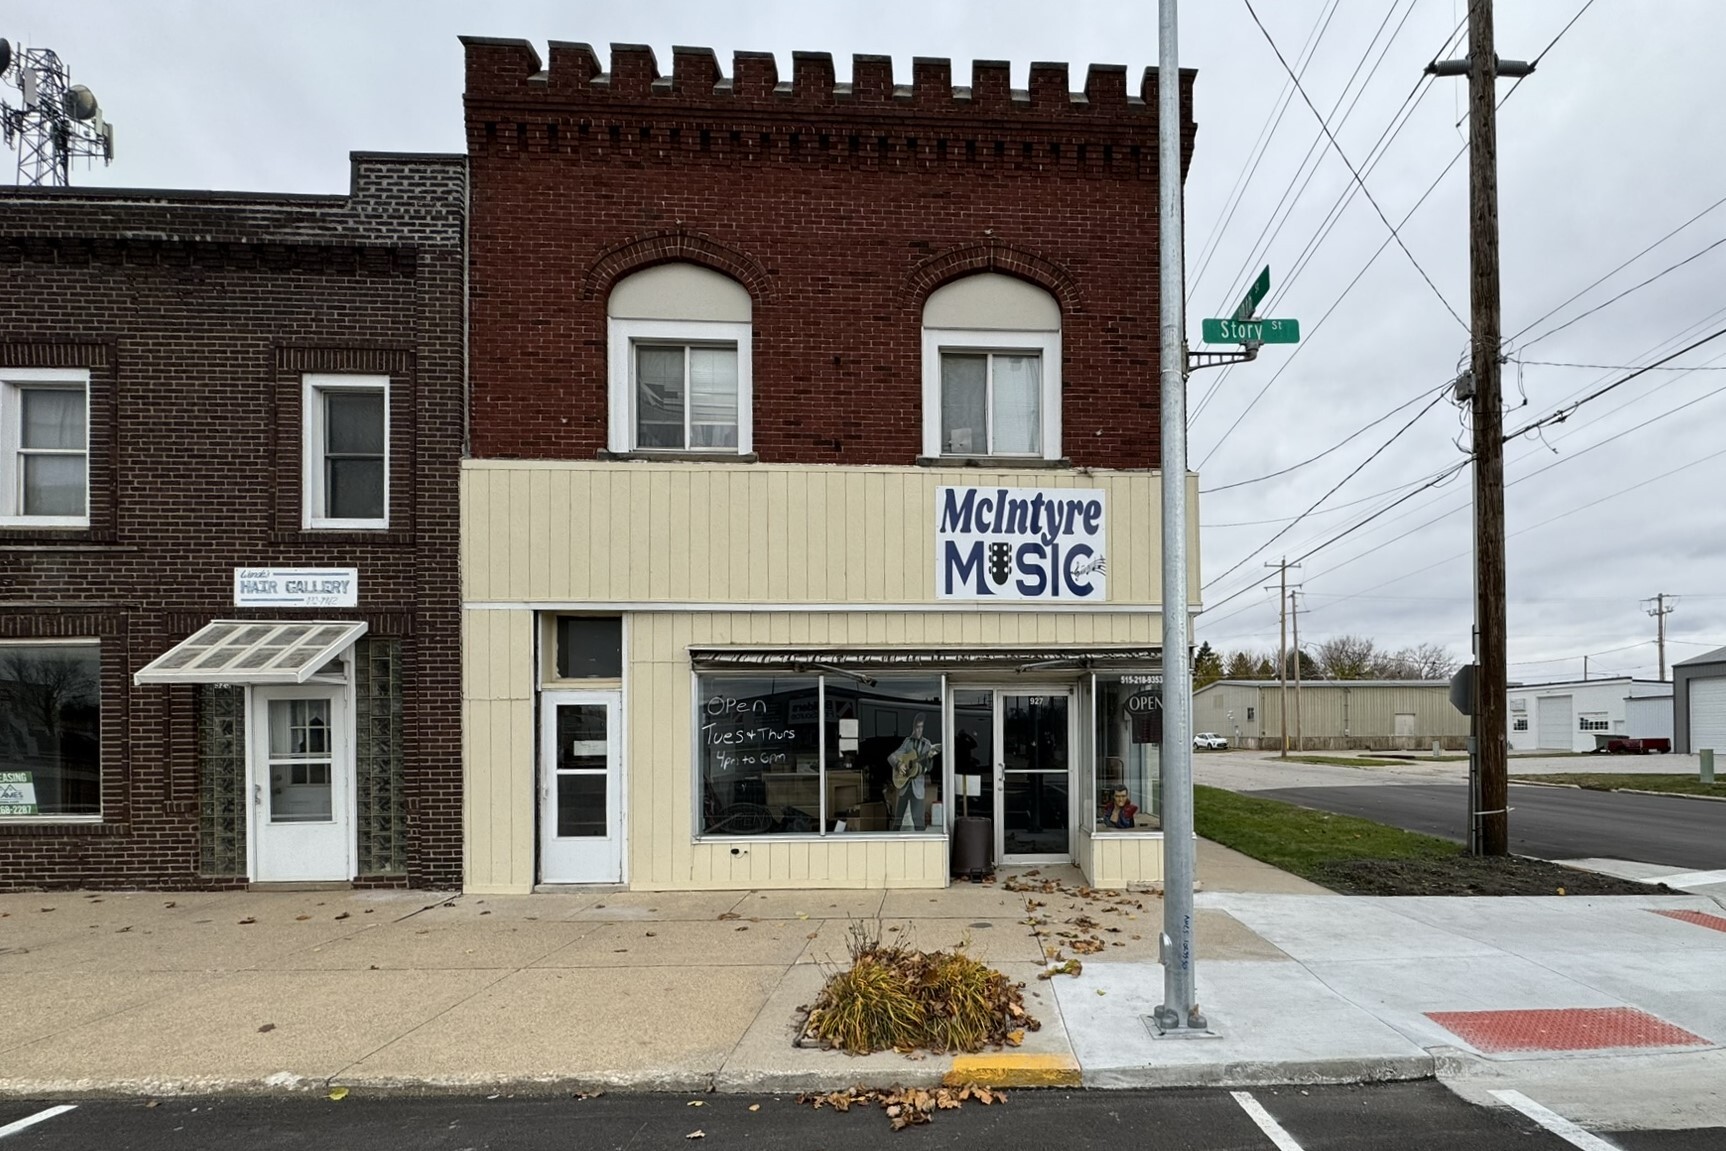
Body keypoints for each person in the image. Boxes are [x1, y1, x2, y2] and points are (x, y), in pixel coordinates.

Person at [887, 713, 936, 831]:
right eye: (917, 727)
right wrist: (899, 764)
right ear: (914, 727)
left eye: (921, 727)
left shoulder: (927, 745)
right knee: (897, 821)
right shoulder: (907, 742)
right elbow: (891, 757)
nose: (919, 730)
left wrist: (929, 759)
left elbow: (929, 768)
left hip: (917, 788)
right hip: (904, 786)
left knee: (918, 820)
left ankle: (921, 846)